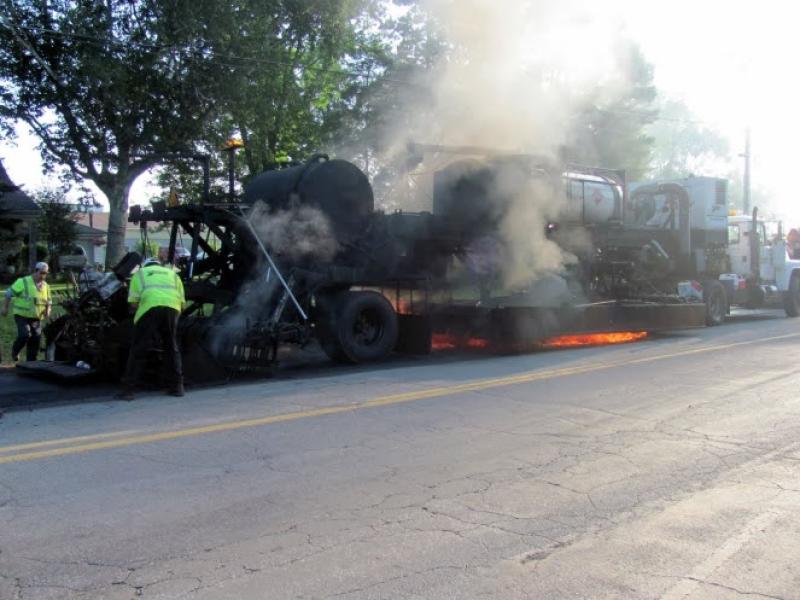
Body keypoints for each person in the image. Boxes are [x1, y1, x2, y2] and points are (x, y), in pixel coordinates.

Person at [119, 257, 186, 399]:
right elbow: (182, 304)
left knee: (139, 348)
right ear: (159, 265)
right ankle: (178, 387)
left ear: (145, 265)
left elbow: (133, 304)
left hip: (149, 308)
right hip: (172, 309)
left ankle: (129, 391)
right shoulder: (173, 274)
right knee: (171, 347)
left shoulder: (140, 274)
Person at [2, 262, 52, 362]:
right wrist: (5, 308)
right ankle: (15, 351)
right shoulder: (23, 281)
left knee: (35, 340)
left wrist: (48, 311)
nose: (44, 275)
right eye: (42, 273)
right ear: (36, 271)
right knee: (25, 335)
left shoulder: (46, 286)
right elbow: (8, 294)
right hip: (21, 316)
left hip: (36, 318)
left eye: (46, 273)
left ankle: (31, 363)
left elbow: (49, 302)